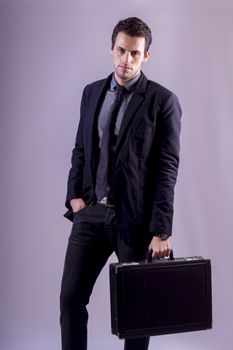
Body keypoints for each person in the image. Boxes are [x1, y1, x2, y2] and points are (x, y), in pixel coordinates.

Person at [60, 17, 182, 350]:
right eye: (121, 50)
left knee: (136, 313)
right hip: (92, 215)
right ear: (111, 48)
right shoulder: (92, 93)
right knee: (71, 301)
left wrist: (161, 231)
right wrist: (75, 197)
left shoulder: (162, 102)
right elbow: (81, 148)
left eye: (134, 54)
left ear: (147, 57)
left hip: (135, 222)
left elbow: (166, 169)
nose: (125, 60)